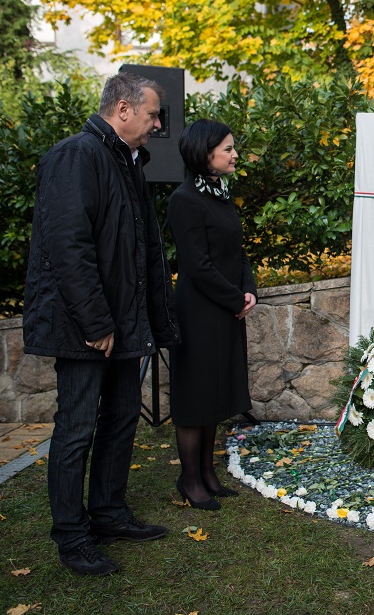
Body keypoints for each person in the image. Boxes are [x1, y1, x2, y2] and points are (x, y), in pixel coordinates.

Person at [22, 72, 180, 576]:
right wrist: (95, 322)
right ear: (124, 110)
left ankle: (109, 514)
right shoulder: (78, 156)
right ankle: (72, 538)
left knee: (119, 420)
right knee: (75, 431)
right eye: (154, 114)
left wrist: (145, 322)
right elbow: (68, 248)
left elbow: (138, 251)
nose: (159, 124)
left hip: (122, 324)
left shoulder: (126, 161)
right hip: (86, 327)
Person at [167, 119, 256, 511]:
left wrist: (248, 289)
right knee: (195, 396)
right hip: (198, 312)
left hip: (224, 309)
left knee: (215, 391)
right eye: (228, 149)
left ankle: (206, 472)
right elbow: (197, 266)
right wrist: (235, 300)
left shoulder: (219, 193)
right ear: (205, 155)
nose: (234, 154)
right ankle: (189, 479)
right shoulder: (184, 199)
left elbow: (237, 251)